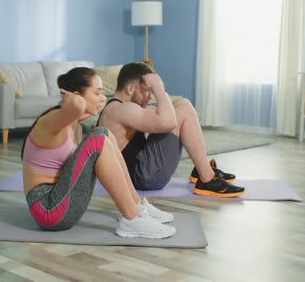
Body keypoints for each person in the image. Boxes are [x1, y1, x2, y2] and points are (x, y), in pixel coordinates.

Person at [22, 67, 176, 239]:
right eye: (97, 93)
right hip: (48, 209)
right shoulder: (50, 121)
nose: (103, 99)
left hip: (60, 202)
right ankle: (131, 219)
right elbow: (76, 105)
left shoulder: (72, 125)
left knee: (103, 133)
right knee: (98, 139)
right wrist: (72, 99)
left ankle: (137, 206)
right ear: (76, 94)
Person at [96, 63, 245, 197]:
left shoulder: (118, 108)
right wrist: (159, 87)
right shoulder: (122, 110)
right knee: (184, 109)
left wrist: (158, 91)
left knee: (181, 106)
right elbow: (169, 122)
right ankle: (206, 178)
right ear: (130, 89)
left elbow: (166, 114)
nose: (149, 97)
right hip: (141, 177)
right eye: (147, 91)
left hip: (139, 172)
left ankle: (203, 169)